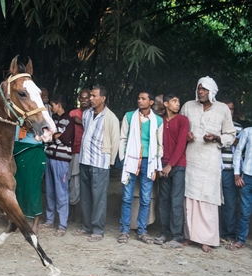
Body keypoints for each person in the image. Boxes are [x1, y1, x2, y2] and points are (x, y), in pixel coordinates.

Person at [180, 76, 236, 253]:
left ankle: (207, 239)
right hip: (191, 158)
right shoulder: (188, 106)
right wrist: (185, 136)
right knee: (189, 197)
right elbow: (179, 128)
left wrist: (217, 137)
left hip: (210, 161)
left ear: (212, 91)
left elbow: (231, 134)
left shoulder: (222, 110)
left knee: (208, 199)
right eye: (199, 88)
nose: (201, 92)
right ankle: (189, 236)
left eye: (204, 89)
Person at [72, 86, 120, 242]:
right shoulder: (86, 114)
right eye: (90, 96)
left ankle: (98, 230)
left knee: (98, 197)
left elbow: (115, 141)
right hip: (85, 160)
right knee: (85, 196)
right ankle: (86, 226)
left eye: (94, 96)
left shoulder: (110, 117)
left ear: (103, 98)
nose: (90, 98)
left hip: (100, 162)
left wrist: (110, 162)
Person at [118, 91, 163, 244]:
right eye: (138, 98)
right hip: (131, 160)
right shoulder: (129, 116)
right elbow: (123, 138)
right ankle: (124, 230)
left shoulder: (157, 121)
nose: (140, 101)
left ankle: (142, 231)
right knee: (127, 197)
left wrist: (157, 163)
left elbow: (159, 144)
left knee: (145, 198)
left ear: (151, 102)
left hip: (148, 162)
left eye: (143, 99)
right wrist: (123, 158)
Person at [154, 94, 189, 249]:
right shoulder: (159, 120)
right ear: (166, 104)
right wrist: (160, 165)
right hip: (163, 166)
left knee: (176, 201)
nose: (178, 104)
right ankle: (164, 232)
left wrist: (170, 165)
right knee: (163, 201)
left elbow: (181, 144)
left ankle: (177, 237)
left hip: (178, 166)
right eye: (174, 101)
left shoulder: (183, 120)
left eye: (178, 101)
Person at [40, 94, 75, 237]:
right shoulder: (53, 119)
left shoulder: (69, 120)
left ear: (59, 105)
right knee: (50, 190)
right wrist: (54, 136)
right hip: (50, 157)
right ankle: (49, 220)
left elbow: (66, 139)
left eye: (53, 105)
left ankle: (62, 225)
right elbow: (46, 138)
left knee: (61, 192)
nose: (51, 107)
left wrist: (53, 136)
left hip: (62, 160)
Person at [13, 127, 47, 235]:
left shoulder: (39, 113)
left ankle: (35, 224)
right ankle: (20, 223)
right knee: (19, 187)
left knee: (34, 188)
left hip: (33, 150)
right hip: (18, 148)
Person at [219, 99, 243, 244]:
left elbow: (244, 150)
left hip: (231, 171)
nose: (229, 111)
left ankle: (227, 233)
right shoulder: (215, 125)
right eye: (226, 108)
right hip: (214, 168)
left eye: (232, 109)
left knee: (230, 203)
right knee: (211, 202)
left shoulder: (239, 128)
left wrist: (237, 143)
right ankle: (212, 232)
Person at [68, 88, 90, 222]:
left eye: (87, 98)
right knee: (73, 182)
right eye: (82, 98)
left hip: (88, 153)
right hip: (74, 151)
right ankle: (72, 213)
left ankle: (85, 215)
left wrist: (80, 122)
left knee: (86, 183)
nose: (84, 101)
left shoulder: (93, 114)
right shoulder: (72, 113)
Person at [228, 127, 252, 250]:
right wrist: (236, 174)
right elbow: (238, 151)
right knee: (244, 211)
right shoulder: (248, 131)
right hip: (247, 176)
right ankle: (241, 240)